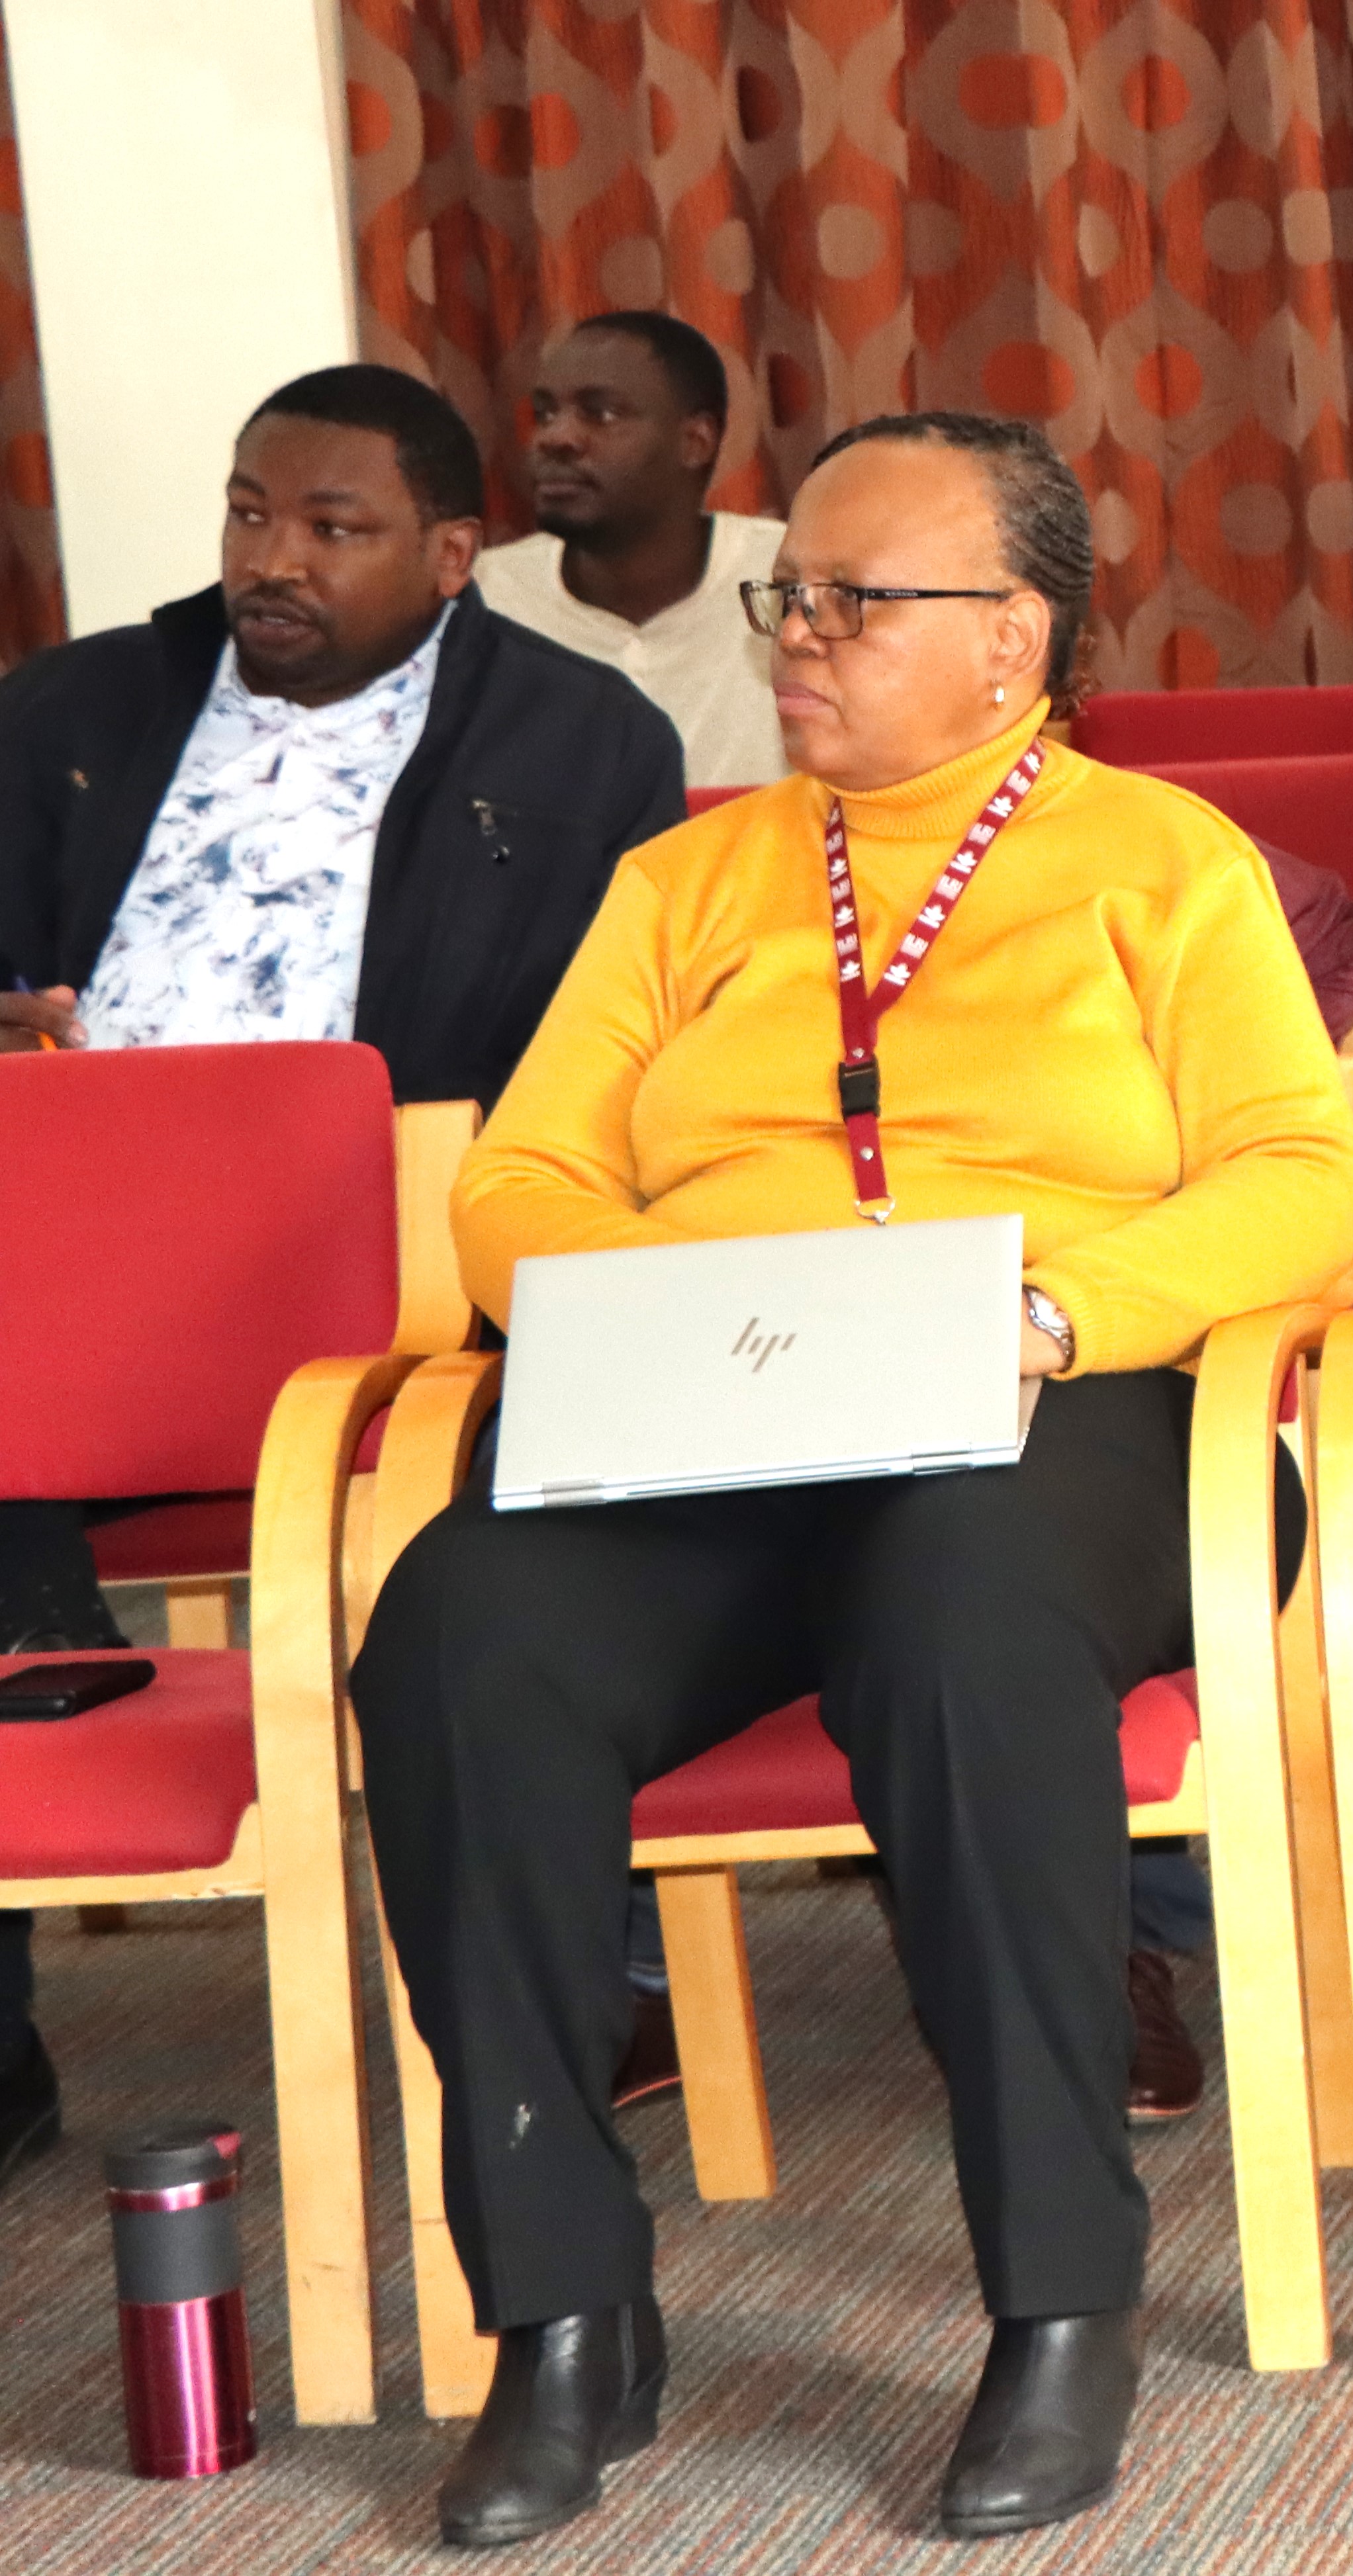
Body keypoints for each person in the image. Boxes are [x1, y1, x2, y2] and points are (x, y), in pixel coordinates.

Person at [349, 412, 1353, 2547]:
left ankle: (1063, 2300)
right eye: (782, 596)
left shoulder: (1165, 867)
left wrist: (1051, 1310)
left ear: (1017, 640)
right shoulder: (686, 880)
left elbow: (1304, 1188)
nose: (792, 636)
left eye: (849, 601)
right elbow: (516, 1186)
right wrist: (709, 1303)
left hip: (1066, 1413)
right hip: (725, 1413)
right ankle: (559, 2310)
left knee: (955, 1593)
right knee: (457, 1621)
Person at [0, 363, 681, 2190]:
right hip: (74, 1260)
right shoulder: (72, 708)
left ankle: (587, 1972)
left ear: (455, 554)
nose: (270, 561)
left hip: (397, 1268)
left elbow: (597, 1062)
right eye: (247, 514)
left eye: (333, 528)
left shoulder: (582, 742)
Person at [473, 310, 791, 787]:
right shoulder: (479, 600)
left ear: (695, 442)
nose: (555, 438)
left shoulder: (790, 579)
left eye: (601, 414)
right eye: (544, 414)